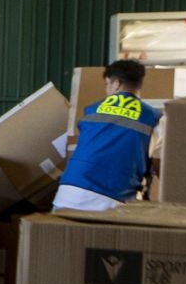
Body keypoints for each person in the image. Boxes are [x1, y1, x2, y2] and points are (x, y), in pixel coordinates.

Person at [53, 59, 162, 212]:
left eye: (107, 84)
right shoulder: (154, 117)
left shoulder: (91, 111)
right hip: (113, 200)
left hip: (68, 193)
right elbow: (160, 167)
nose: (107, 89)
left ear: (116, 83)